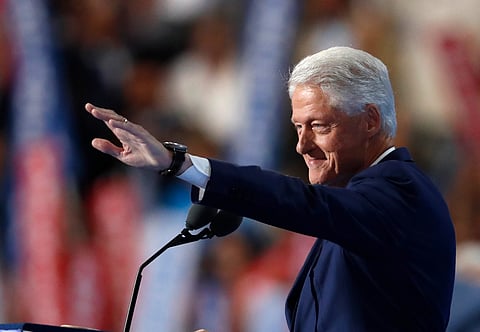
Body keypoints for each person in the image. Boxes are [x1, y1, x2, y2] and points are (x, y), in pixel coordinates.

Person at [85, 46, 456, 331]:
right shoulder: (356, 197)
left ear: (370, 120)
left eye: (319, 127)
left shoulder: (399, 194)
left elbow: (300, 202)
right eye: (298, 127)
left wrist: (177, 163)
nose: (301, 146)